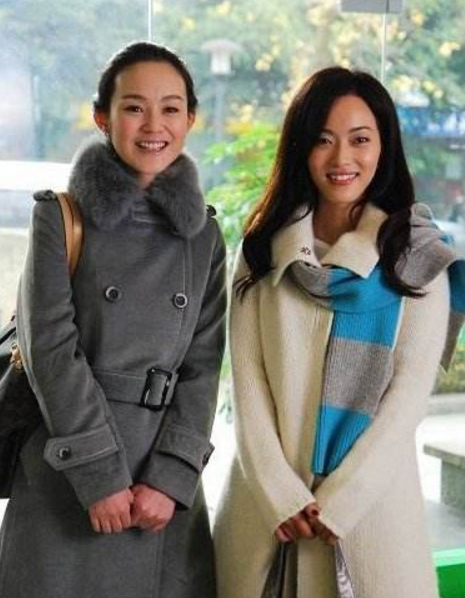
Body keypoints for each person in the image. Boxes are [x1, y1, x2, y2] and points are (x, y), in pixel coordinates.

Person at [213, 67, 465, 598]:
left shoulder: (418, 257)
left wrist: (342, 502)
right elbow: (248, 385)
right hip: (265, 517)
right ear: (300, 147)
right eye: (323, 139)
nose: (341, 158)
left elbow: (406, 402)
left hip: (374, 518)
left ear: (384, 146)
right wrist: (281, 495)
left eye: (360, 139)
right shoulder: (262, 249)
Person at [0, 41, 226, 598]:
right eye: (133, 107)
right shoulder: (60, 217)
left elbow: (203, 367)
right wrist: (99, 474)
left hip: (158, 493)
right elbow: (51, 350)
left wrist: (170, 479)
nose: (154, 125)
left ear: (190, 119)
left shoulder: (205, 235)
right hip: (68, 469)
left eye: (170, 108)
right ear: (102, 117)